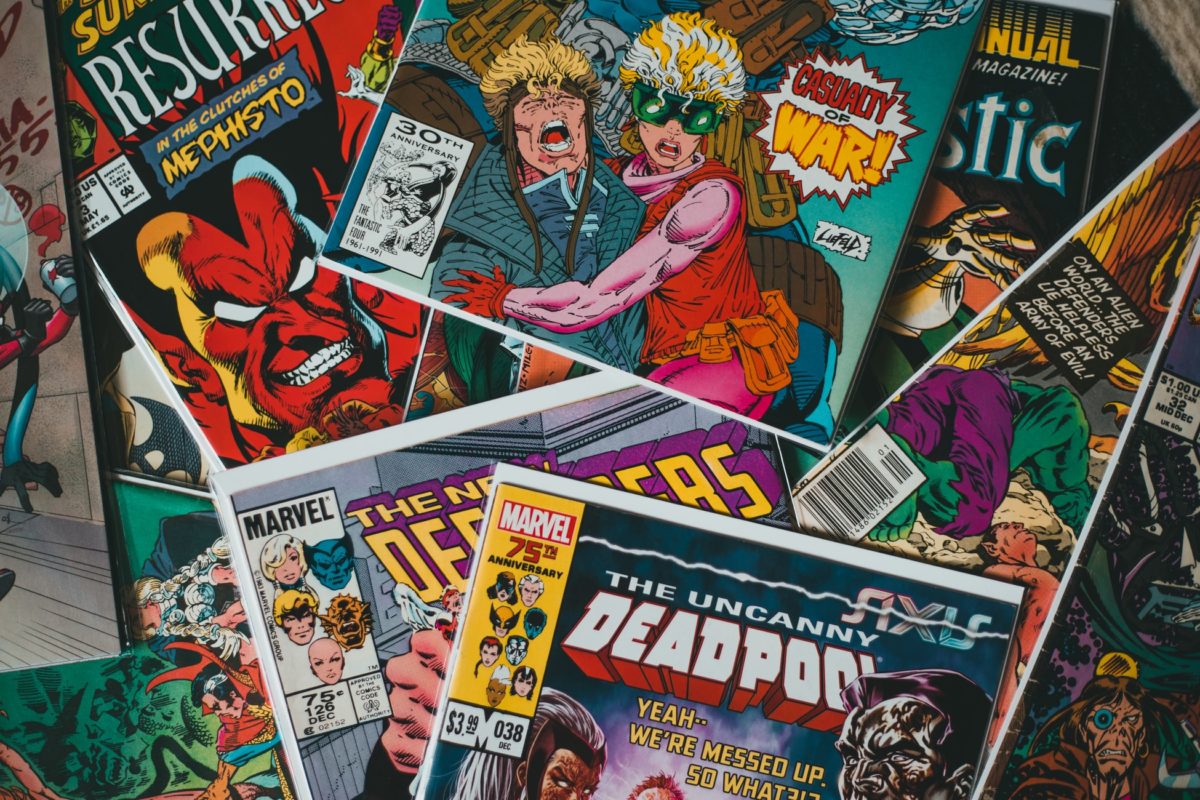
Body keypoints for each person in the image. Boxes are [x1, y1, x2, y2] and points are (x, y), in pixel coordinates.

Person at [445, 13, 797, 417]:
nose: (673, 129)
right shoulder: (613, 176)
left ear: (714, 121)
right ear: (635, 102)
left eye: (696, 116)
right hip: (638, 361)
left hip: (717, 364)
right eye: (657, 106)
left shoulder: (711, 197)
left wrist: (502, 300)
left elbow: (597, 300)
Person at [430, 36, 646, 372]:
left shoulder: (627, 206)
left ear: (585, 116)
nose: (552, 109)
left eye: (564, 98)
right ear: (512, 129)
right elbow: (458, 324)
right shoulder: (477, 232)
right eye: (534, 103)